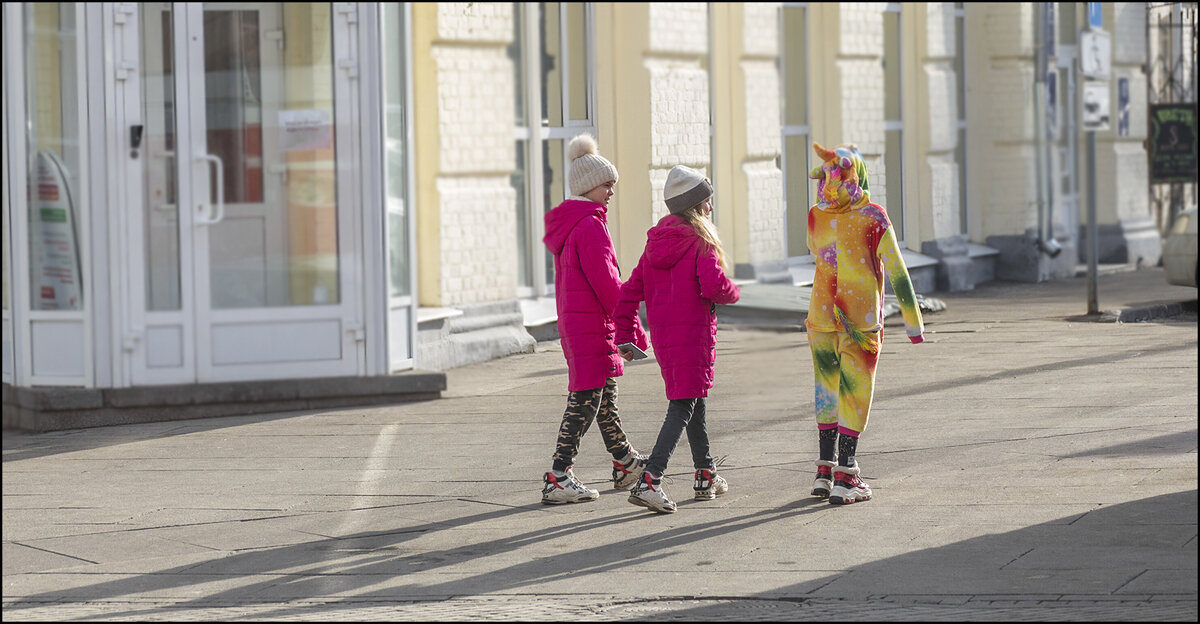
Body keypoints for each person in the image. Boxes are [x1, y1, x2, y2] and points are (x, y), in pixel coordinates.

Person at [614, 165, 740, 514]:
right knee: (684, 404)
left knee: (694, 401)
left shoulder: (654, 245)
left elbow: (628, 293)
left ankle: (705, 474)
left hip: (668, 340)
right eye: (707, 202)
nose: (711, 209)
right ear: (696, 207)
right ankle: (651, 479)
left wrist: (625, 332)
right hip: (695, 335)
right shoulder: (701, 242)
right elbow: (714, 285)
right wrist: (735, 292)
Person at [804, 142, 924, 505]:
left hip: (821, 318)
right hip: (861, 322)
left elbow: (816, 250)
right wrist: (913, 322)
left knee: (826, 388)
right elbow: (898, 270)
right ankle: (847, 474)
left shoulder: (815, 215)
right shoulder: (874, 217)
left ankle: (824, 470)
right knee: (854, 393)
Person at [540, 133, 649, 505]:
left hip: (581, 324)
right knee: (585, 401)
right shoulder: (589, 226)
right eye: (607, 185)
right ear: (588, 187)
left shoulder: (574, 225)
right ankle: (559, 474)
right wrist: (631, 330)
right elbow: (608, 284)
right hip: (591, 326)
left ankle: (625, 462)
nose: (611, 192)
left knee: (604, 399)